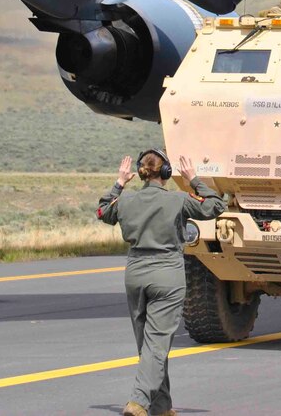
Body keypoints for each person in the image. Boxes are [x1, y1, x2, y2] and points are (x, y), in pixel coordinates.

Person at [97, 150, 224, 416]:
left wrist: (119, 182)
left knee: (149, 344)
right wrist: (193, 180)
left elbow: (102, 212)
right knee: (156, 344)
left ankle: (162, 406)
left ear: (141, 174)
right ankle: (139, 402)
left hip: (135, 274)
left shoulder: (126, 200)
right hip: (167, 274)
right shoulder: (178, 200)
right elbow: (216, 206)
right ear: (166, 174)